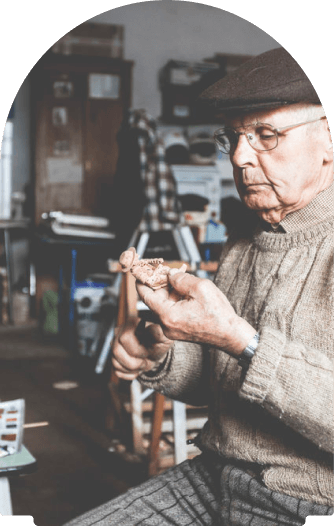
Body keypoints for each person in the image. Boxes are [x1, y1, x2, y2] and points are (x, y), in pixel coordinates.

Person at [65, 47, 334, 525]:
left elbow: (245, 353)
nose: (239, 156)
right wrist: (163, 353)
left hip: (307, 502)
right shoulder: (245, 237)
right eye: (232, 137)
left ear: (328, 141)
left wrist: (238, 338)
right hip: (214, 478)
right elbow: (221, 385)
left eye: (265, 135)